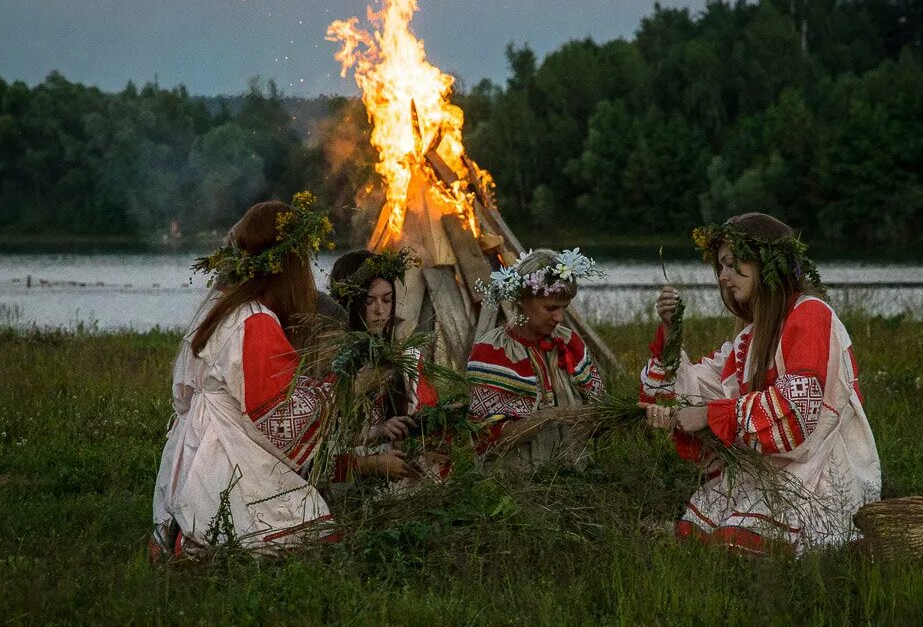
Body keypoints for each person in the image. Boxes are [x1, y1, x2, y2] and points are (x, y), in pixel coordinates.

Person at [639, 213, 881, 553]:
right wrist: (670, 333)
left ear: (765, 264)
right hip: (772, 467)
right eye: (720, 267)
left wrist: (709, 415)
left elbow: (799, 410)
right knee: (696, 533)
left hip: (818, 465)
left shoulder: (810, 314)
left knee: (740, 542)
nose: (723, 276)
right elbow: (700, 384)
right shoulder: (750, 337)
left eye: (731, 264)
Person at [149, 192, 338, 558]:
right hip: (224, 450)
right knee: (313, 527)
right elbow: (278, 418)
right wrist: (330, 390)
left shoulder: (218, 307)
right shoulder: (256, 321)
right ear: (289, 267)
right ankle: (196, 541)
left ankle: (182, 529)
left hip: (193, 445)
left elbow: (184, 394)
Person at [467, 248, 607, 470]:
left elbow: (600, 412)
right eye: (550, 308)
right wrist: (546, 416)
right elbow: (486, 439)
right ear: (522, 299)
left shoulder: (568, 343)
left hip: (575, 477)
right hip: (512, 481)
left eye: (564, 307)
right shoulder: (492, 351)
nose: (559, 318)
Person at [323, 248, 444, 489]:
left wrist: (418, 434)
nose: (380, 311)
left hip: (401, 482)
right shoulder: (330, 362)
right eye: (369, 301)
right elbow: (321, 438)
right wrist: (377, 432)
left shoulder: (407, 359)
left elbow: (430, 417)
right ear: (348, 303)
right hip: (345, 483)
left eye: (387, 300)